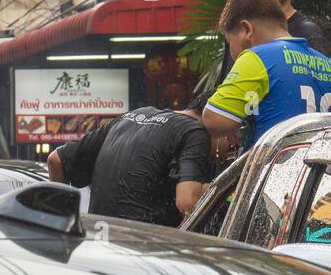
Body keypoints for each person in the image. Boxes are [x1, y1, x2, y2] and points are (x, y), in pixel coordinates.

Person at [203, 0, 331, 156]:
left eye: (229, 41)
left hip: (276, 171)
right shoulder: (330, 66)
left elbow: (214, 120)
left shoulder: (258, 57)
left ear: (246, 29)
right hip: (322, 173)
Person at [47, 95, 211, 226]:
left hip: (98, 244)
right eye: (231, 133)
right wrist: (212, 189)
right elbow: (187, 202)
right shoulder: (195, 131)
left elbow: (56, 159)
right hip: (143, 251)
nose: (232, 143)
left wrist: (62, 222)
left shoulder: (132, 116)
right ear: (213, 116)